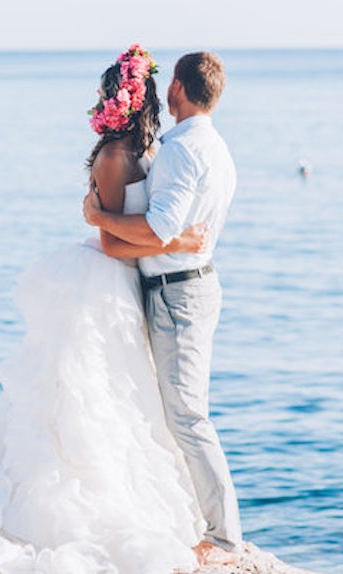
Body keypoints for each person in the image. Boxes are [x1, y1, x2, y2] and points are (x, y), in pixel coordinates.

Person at [0, 45, 211, 574]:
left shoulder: (140, 151)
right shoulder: (117, 155)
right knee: (83, 397)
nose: (103, 103)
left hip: (123, 282)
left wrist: (171, 234)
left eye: (108, 94)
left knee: (119, 395)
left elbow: (118, 228)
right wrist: (179, 241)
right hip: (103, 281)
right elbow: (109, 241)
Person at [82, 50, 242, 566]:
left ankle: (222, 538)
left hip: (178, 292)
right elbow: (177, 232)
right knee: (176, 414)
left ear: (176, 87)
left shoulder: (177, 150)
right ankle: (197, 522)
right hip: (188, 285)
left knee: (188, 418)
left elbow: (160, 229)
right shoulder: (215, 147)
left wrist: (98, 220)